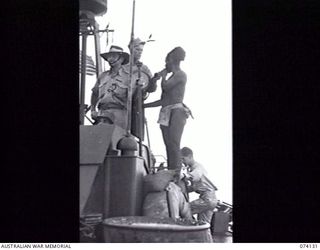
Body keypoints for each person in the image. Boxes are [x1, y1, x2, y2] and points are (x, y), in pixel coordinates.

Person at [144, 47, 191, 171]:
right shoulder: (173, 76)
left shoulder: (181, 75)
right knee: (168, 143)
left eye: (167, 61)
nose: (165, 65)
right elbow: (163, 101)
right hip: (166, 111)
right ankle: (171, 169)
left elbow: (166, 86)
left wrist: (163, 77)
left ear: (173, 61)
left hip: (177, 111)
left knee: (174, 143)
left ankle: (175, 171)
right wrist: (143, 106)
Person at [122, 37, 157, 139]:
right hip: (122, 104)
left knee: (137, 135)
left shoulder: (144, 68)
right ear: (130, 49)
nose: (139, 52)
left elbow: (152, 89)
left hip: (137, 105)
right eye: (137, 49)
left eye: (141, 50)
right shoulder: (122, 67)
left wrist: (153, 81)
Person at [90, 45, 130, 129]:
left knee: (117, 139)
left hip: (119, 114)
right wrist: (93, 110)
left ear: (121, 59)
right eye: (109, 56)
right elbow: (94, 93)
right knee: (101, 139)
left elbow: (135, 98)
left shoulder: (128, 77)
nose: (110, 59)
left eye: (114, 56)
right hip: (102, 113)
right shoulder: (103, 76)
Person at [180, 147, 218, 224]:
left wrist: (183, 176)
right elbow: (196, 186)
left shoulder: (197, 167)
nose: (182, 161)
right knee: (204, 224)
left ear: (190, 157)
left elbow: (194, 176)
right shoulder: (193, 168)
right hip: (212, 199)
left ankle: (188, 232)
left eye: (183, 159)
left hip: (207, 199)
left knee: (184, 210)